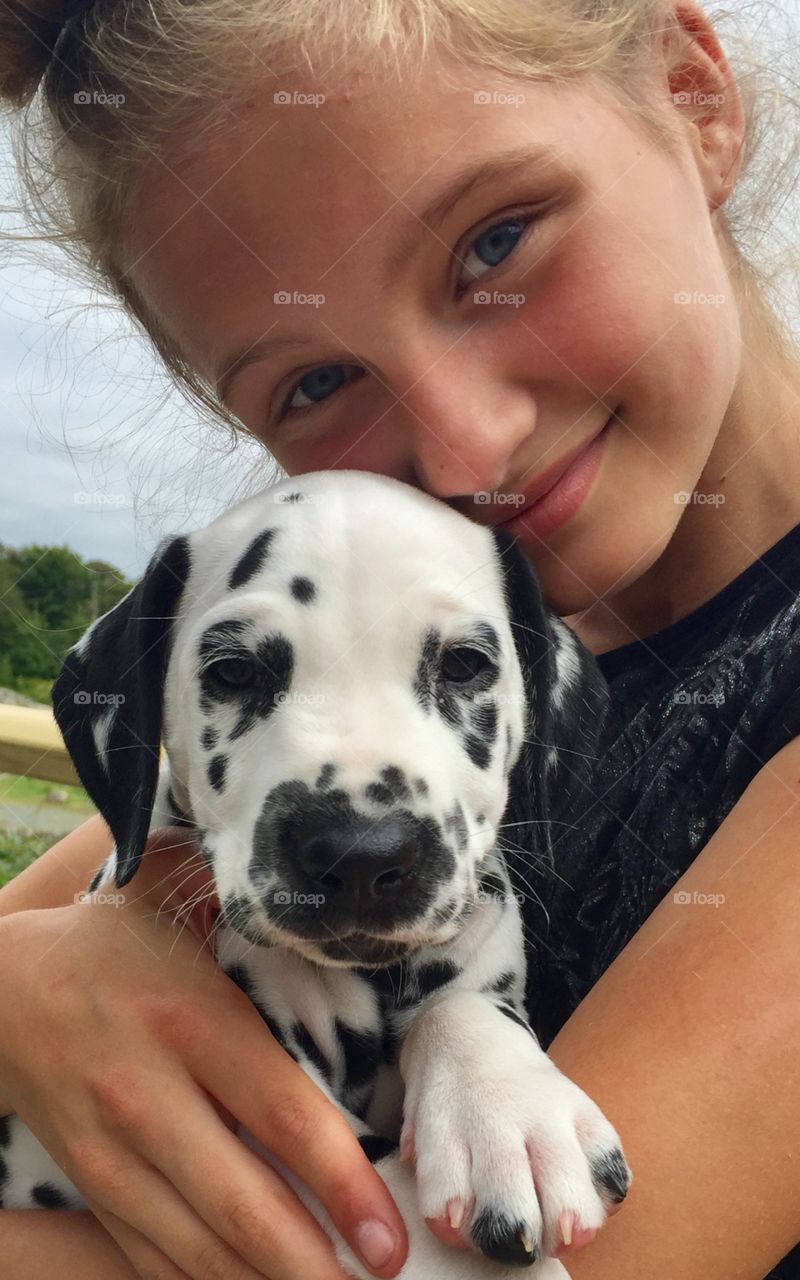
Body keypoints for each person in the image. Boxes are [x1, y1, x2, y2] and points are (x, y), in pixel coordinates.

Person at [1, 1, 799, 1277]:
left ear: (691, 95)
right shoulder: (341, 688)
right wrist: (21, 989)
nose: (465, 445)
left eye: (496, 241)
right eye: (313, 384)